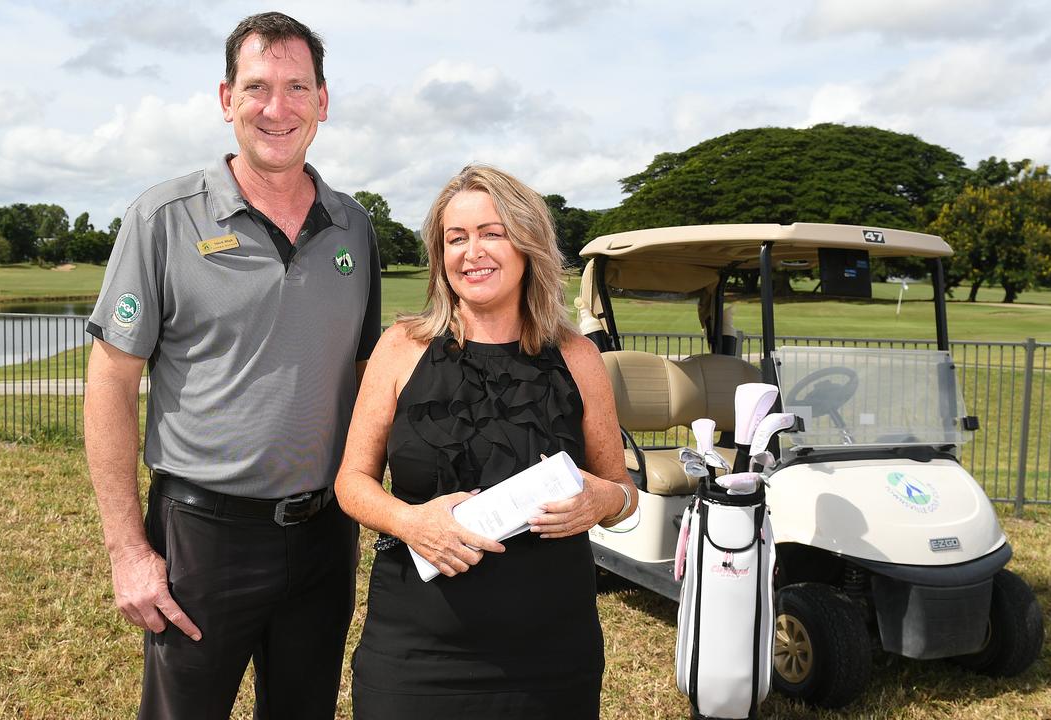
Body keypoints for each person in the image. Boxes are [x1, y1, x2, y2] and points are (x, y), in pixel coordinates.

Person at [83, 12, 380, 719]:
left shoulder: (355, 227)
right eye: (257, 87)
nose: (276, 108)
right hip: (202, 539)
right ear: (226, 100)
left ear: (323, 102)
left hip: (325, 538)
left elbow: (372, 374)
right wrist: (128, 550)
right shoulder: (162, 219)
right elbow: (111, 384)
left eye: (296, 87)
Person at [335, 164, 637, 719]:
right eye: (456, 238)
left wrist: (604, 500)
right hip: (416, 652)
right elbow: (351, 482)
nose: (472, 251)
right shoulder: (402, 348)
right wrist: (410, 522)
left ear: (527, 245)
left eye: (491, 232)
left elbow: (621, 490)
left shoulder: (579, 357)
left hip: (551, 654)